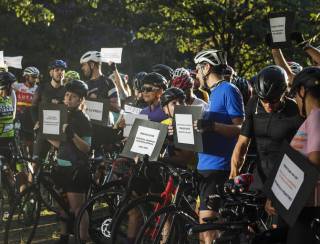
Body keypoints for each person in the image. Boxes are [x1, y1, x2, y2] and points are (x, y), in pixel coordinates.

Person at [193, 49, 244, 243]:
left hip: (218, 167)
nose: (196, 74)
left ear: (207, 67)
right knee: (208, 229)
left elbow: (241, 128)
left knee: (208, 228)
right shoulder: (212, 94)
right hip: (205, 166)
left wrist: (212, 125)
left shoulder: (228, 90)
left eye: (198, 69)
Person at [265, 67, 320, 244]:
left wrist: (284, 195)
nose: (295, 100)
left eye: (295, 94)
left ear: (303, 91)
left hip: (307, 210)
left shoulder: (316, 117)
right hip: (303, 208)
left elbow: (315, 159)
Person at [48, 79, 91, 244]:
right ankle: (64, 237)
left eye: (72, 96)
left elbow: (86, 147)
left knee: (78, 209)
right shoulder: (65, 115)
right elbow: (62, 145)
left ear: (80, 100)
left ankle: (82, 239)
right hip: (62, 167)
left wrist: (72, 134)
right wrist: (46, 135)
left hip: (77, 169)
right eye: (66, 95)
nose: (68, 99)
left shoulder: (82, 119)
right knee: (63, 207)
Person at [80, 51, 120, 151]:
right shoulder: (84, 84)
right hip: (87, 130)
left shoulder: (108, 82)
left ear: (92, 64)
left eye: (84, 65)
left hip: (103, 130)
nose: (82, 68)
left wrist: (98, 100)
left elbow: (117, 107)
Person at [32, 60, 67, 163]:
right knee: (36, 162)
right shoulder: (41, 88)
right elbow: (33, 107)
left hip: (61, 131)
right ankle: (32, 179)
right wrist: (36, 121)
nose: (60, 72)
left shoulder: (67, 90)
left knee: (60, 164)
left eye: (62, 70)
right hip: (44, 129)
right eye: (57, 70)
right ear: (51, 72)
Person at [12, 66, 39, 156]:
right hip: (19, 118)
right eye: (33, 76)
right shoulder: (18, 86)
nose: (36, 79)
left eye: (36, 77)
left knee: (31, 144)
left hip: (31, 119)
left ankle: (31, 163)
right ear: (26, 77)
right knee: (21, 143)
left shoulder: (38, 89)